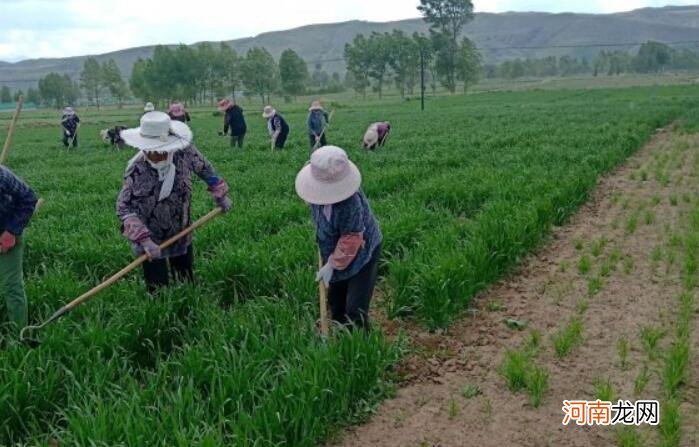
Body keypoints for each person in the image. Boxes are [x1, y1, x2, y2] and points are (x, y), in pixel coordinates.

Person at [116, 111, 232, 293]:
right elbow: (124, 206)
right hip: (150, 235)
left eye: (160, 149)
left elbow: (206, 170)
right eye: (150, 149)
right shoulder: (136, 169)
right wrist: (144, 239)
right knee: (157, 287)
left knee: (185, 279)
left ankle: (187, 307)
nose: (155, 153)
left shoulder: (184, 153)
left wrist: (221, 194)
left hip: (181, 228)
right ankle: (161, 311)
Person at [295, 146, 382, 332]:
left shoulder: (349, 203)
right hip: (335, 248)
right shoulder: (317, 187)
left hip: (364, 250)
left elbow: (352, 239)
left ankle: (362, 348)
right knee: (337, 305)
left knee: (354, 310)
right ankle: (342, 341)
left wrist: (331, 265)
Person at [0, 166, 38, 334]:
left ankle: (19, 333)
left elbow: (28, 198)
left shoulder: (2, 176)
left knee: (11, 285)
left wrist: (11, 232)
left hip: (6, 231)